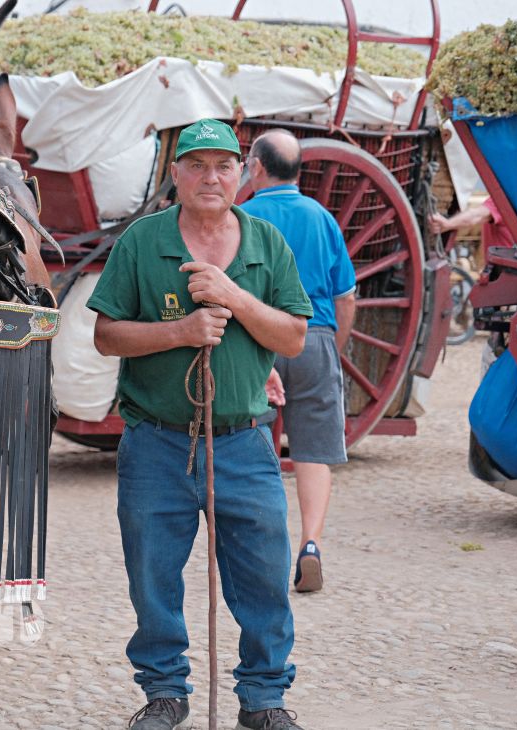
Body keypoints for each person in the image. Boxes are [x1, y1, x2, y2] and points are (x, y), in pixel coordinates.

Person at [88, 118, 312, 730]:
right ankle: (165, 694)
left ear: (243, 174)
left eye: (224, 165)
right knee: (153, 576)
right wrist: (181, 332)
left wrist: (234, 298)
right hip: (156, 442)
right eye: (196, 165)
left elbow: (293, 337)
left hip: (243, 441)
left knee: (264, 577)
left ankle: (264, 699)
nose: (211, 177)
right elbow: (106, 336)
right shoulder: (142, 241)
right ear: (176, 174)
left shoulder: (267, 242)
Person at [239, 129, 356, 593]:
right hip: (315, 337)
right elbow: (346, 297)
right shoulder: (322, 218)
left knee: (251, 446)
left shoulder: (241, 218)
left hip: (255, 342)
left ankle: (263, 550)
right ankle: (310, 543)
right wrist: (331, 347)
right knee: (313, 453)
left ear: (258, 168)